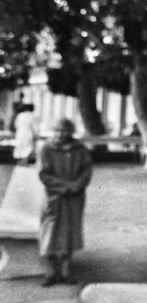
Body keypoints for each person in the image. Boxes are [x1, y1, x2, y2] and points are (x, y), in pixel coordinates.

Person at [37, 118, 92, 286]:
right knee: (50, 233)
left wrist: (76, 186)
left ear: (71, 132)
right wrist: (63, 187)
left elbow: (86, 171)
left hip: (75, 197)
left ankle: (67, 271)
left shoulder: (80, 149)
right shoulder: (46, 148)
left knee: (70, 232)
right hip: (54, 196)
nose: (61, 134)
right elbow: (44, 173)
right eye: (58, 130)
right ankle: (50, 272)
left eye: (65, 130)